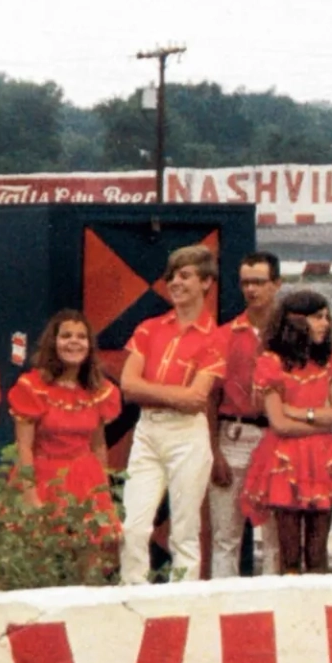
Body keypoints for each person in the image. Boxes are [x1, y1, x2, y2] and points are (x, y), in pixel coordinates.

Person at [119, 245, 225, 585]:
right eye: (173, 276)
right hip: (148, 430)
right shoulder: (149, 328)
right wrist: (174, 396)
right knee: (133, 525)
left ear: (206, 283)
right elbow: (128, 386)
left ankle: (183, 602)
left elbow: (197, 399)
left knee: (185, 528)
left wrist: (152, 391)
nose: (175, 283)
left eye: (185, 275)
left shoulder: (217, 337)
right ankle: (132, 593)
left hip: (187, 436)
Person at [240, 289, 332, 575]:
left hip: (323, 460)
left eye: (326, 317)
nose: (325, 323)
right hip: (284, 460)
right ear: (295, 320)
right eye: (317, 317)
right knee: (290, 553)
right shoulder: (272, 363)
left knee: (317, 551)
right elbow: (279, 424)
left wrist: (301, 412)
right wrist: (318, 423)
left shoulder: (330, 360)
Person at [7, 309, 122, 538]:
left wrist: (104, 496)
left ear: (89, 345)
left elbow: (98, 445)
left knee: (87, 556)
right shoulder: (32, 387)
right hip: (43, 478)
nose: (74, 342)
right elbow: (24, 447)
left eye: (81, 337)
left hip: (85, 479)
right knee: (39, 557)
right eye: (66, 336)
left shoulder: (99, 392)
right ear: (54, 342)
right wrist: (31, 497)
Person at [207, 251, 282, 578]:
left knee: (276, 536)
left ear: (276, 285)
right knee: (226, 534)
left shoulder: (290, 334)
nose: (252, 290)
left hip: (278, 435)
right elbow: (212, 397)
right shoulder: (224, 335)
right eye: (246, 283)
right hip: (234, 433)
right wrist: (214, 451)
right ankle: (223, 605)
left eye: (260, 282)